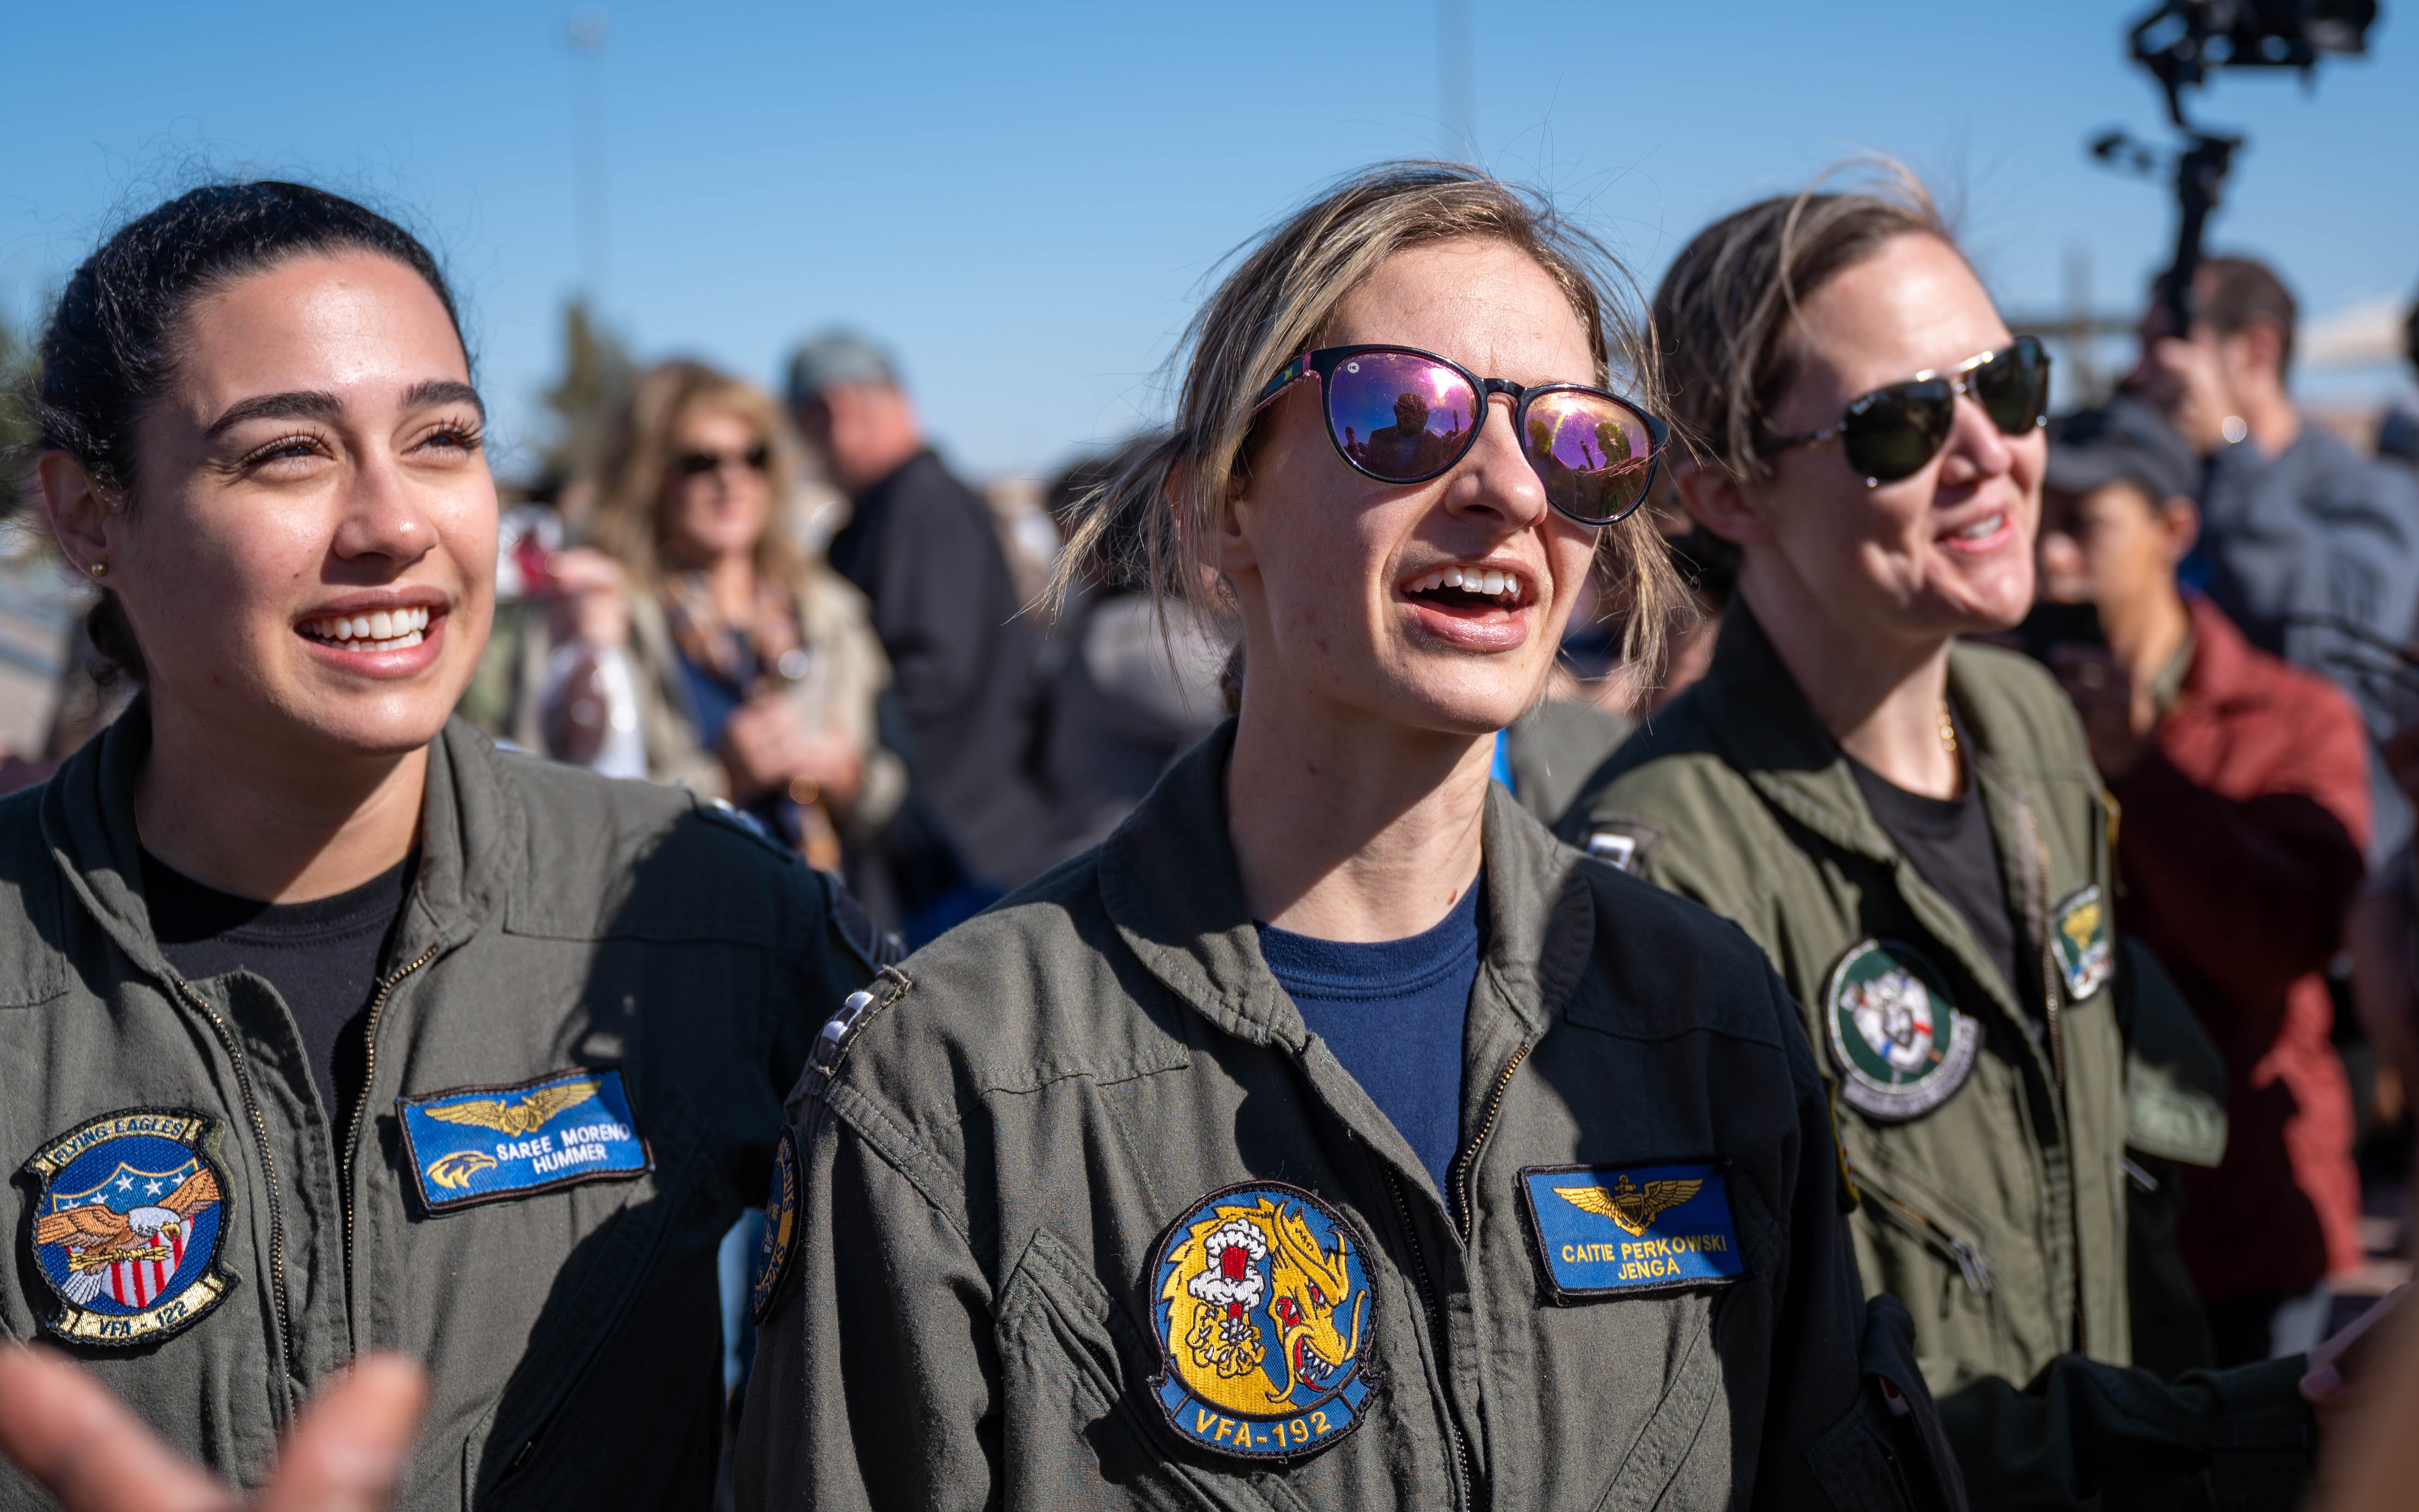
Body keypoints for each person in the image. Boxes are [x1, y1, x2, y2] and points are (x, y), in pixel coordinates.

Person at [733, 161, 1967, 1512]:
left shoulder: (1705, 1023)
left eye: (1572, 438)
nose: (1505, 487)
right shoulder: (954, 1088)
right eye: (1402, 413)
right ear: (1218, 510)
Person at [0, 181, 882, 1510]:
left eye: (443, 439)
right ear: (86, 517)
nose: (394, 523)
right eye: (287, 451)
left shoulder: (707, 911)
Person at [1559, 172, 2366, 1508]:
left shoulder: (2029, 719)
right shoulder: (1659, 875)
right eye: (1899, 424)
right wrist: (2254, 1424)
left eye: (2009, 382)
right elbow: (1754, 1408)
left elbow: (2123, 1196)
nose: (1990, 448)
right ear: (1726, 495)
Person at [2035, 402, 2371, 1367]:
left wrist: (2139, 773)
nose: (2051, 556)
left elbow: (2279, 944)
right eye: (2038, 520)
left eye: (2084, 522)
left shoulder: (2293, 716)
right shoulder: (1988, 702)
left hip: (2242, 1232)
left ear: (2172, 530)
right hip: (2062, 1233)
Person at [492, 359, 905, 881]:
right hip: (670, 927)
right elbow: (553, 804)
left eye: (752, 457)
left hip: (825, 921)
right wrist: (721, 777)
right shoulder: (602, 611)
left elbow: (890, 782)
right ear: (647, 476)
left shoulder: (825, 609)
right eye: (700, 461)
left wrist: (850, 780)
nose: (731, 481)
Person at [2130, 255, 2419, 860]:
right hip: (2181, 857)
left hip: (2324, 884)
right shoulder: (2169, 497)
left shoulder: (2366, 490)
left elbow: (2327, 638)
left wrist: (2229, 447)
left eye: (2168, 343)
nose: (2146, 369)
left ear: (2257, 350)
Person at [784, 331, 1056, 899]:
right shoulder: (900, 506)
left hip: (962, 850)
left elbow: (932, 670)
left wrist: (842, 749)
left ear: (837, 412)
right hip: (952, 844)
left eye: (801, 429)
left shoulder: (920, 507)